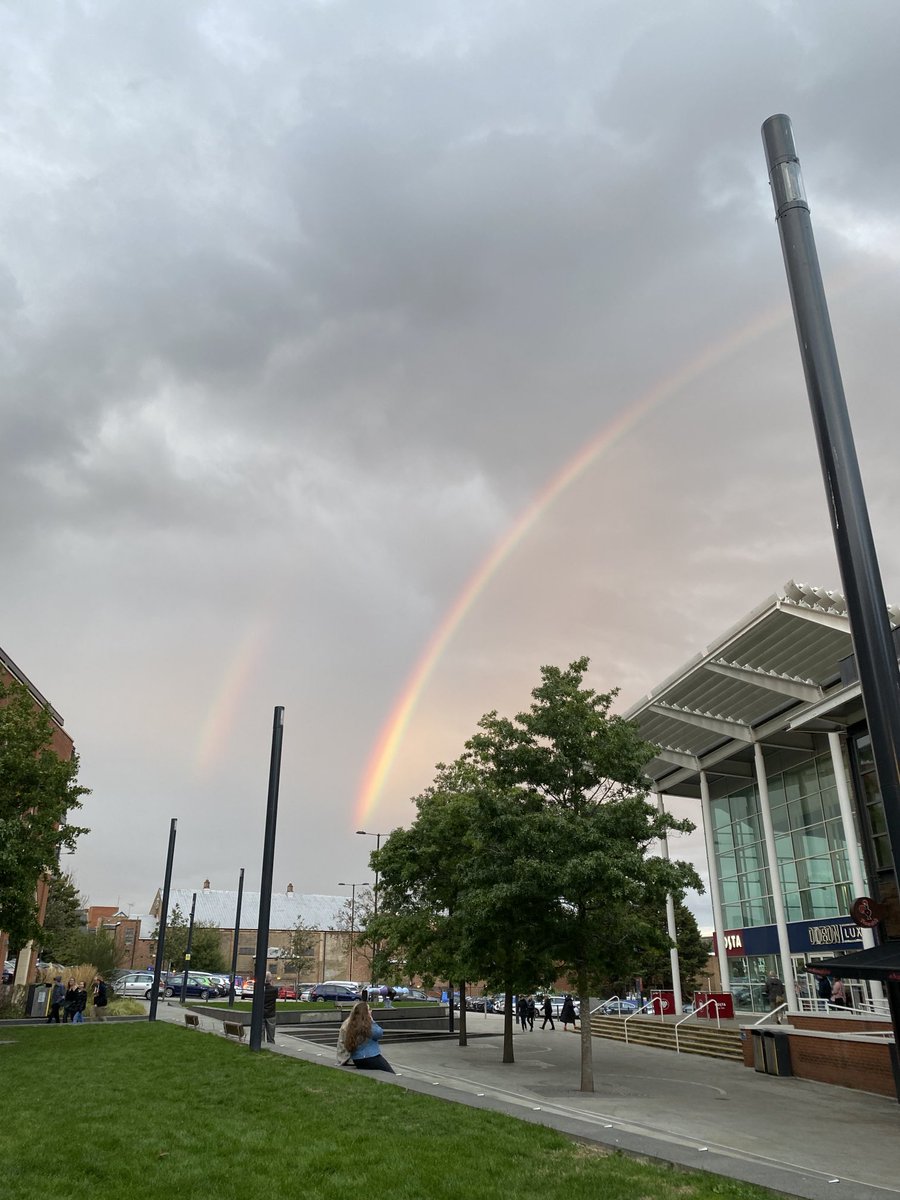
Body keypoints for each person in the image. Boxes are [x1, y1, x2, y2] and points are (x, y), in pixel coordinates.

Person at [336, 1000, 394, 1073]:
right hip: (370, 1056)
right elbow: (379, 1033)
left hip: (357, 1059)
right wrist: (372, 1021)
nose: (371, 1011)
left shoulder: (351, 1024)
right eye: (369, 1009)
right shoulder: (366, 1025)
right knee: (391, 1073)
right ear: (365, 1013)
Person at [263, 972, 279, 1043]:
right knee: (271, 1035)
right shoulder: (274, 989)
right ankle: (271, 1047)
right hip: (271, 1013)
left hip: (261, 1013)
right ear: (270, 979)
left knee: (260, 1035)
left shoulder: (260, 989)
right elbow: (276, 997)